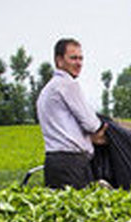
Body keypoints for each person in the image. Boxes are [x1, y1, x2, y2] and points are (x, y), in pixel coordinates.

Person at [36, 38, 107, 189]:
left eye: (81, 58)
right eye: (73, 58)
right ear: (59, 60)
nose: (79, 63)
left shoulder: (48, 89)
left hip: (53, 162)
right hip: (72, 162)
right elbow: (91, 124)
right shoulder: (67, 84)